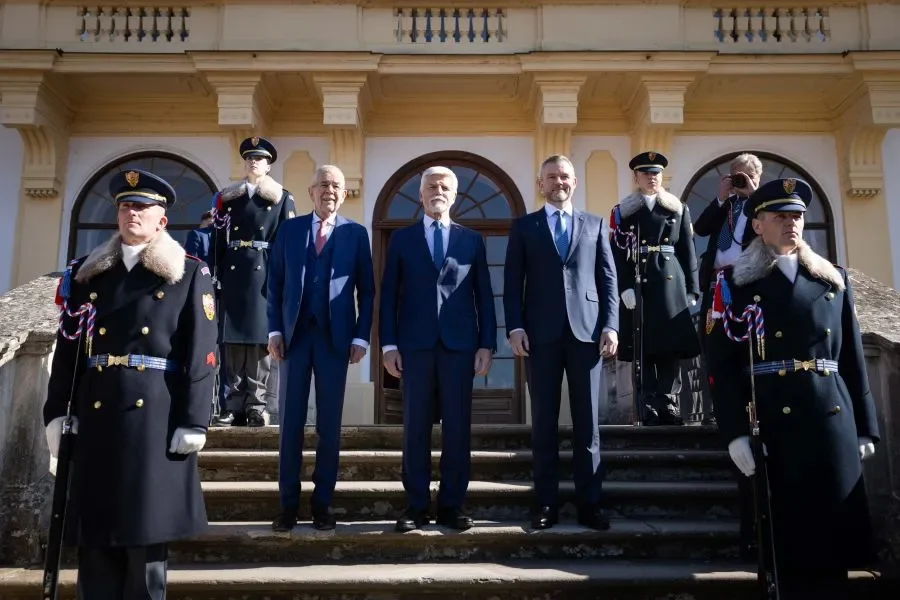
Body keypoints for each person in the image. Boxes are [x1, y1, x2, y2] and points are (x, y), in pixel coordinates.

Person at [44, 169, 216, 599]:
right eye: (124, 206)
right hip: (96, 410)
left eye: (141, 207)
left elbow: (202, 352)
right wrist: (57, 410)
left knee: (144, 541)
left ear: (162, 220)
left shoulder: (187, 274)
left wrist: (194, 419)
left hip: (154, 415)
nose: (131, 213)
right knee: (95, 538)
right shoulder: (88, 276)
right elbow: (69, 349)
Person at [706, 178, 879, 599]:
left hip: (830, 416)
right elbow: (721, 366)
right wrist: (734, 432)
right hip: (772, 419)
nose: (791, 224)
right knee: (785, 542)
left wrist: (864, 425)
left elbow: (853, 357)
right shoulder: (734, 284)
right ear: (758, 225)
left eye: (797, 216)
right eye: (779, 216)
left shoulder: (832, 280)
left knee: (834, 542)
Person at [503, 155, 618, 531]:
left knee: (588, 426)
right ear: (541, 184)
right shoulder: (524, 227)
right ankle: (546, 504)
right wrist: (515, 328)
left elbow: (608, 281)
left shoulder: (595, 224)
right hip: (540, 336)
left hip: (587, 335)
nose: (558, 182)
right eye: (551, 177)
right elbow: (510, 284)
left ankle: (590, 504)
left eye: (564, 176)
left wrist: (611, 326)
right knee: (544, 424)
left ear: (574, 181)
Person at [379, 166, 496, 532]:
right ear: (420, 194)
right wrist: (389, 345)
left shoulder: (472, 240)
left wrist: (487, 345)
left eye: (445, 186)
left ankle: (451, 505)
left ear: (454, 194)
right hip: (414, 348)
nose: (438, 190)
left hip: (460, 347)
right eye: (431, 186)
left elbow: (485, 298)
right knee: (415, 429)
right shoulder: (401, 239)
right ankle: (415, 506)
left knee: (457, 430)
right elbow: (388, 298)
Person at [267, 165, 375, 532]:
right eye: (323, 185)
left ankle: (322, 504)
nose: (329, 190)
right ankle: (287, 505)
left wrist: (361, 336)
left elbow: (368, 290)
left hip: (336, 341)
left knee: (328, 426)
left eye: (336, 186)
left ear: (345, 194)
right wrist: (274, 330)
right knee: (290, 425)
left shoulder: (356, 234)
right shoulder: (289, 229)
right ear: (311, 191)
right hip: (294, 339)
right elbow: (275, 284)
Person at [209, 136, 296, 427]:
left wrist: (283, 281)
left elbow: (287, 244)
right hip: (234, 275)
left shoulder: (282, 197)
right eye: (249, 158)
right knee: (231, 341)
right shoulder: (228, 198)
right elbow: (219, 239)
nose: (253, 162)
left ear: (269, 165)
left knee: (260, 343)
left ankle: (257, 405)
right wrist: (214, 273)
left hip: (264, 275)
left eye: (259, 158)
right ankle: (231, 404)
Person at [609, 151, 700, 425]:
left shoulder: (678, 208)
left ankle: (669, 402)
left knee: (670, 346)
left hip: (670, 281)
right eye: (646, 173)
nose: (652, 178)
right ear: (636, 177)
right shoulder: (623, 211)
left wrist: (692, 290)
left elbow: (688, 250)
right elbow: (616, 253)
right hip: (639, 281)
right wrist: (623, 286)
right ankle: (646, 401)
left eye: (656, 173)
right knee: (643, 345)